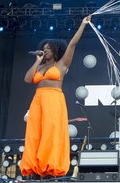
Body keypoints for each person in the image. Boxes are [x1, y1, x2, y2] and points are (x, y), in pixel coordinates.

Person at [20, 15, 92, 179]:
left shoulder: (61, 64)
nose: (45, 50)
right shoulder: (41, 65)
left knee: (50, 133)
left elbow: (72, 44)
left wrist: (82, 24)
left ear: (55, 50)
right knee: (34, 133)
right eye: (43, 48)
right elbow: (27, 79)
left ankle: (49, 168)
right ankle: (34, 167)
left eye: (48, 48)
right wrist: (37, 61)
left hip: (53, 99)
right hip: (38, 100)